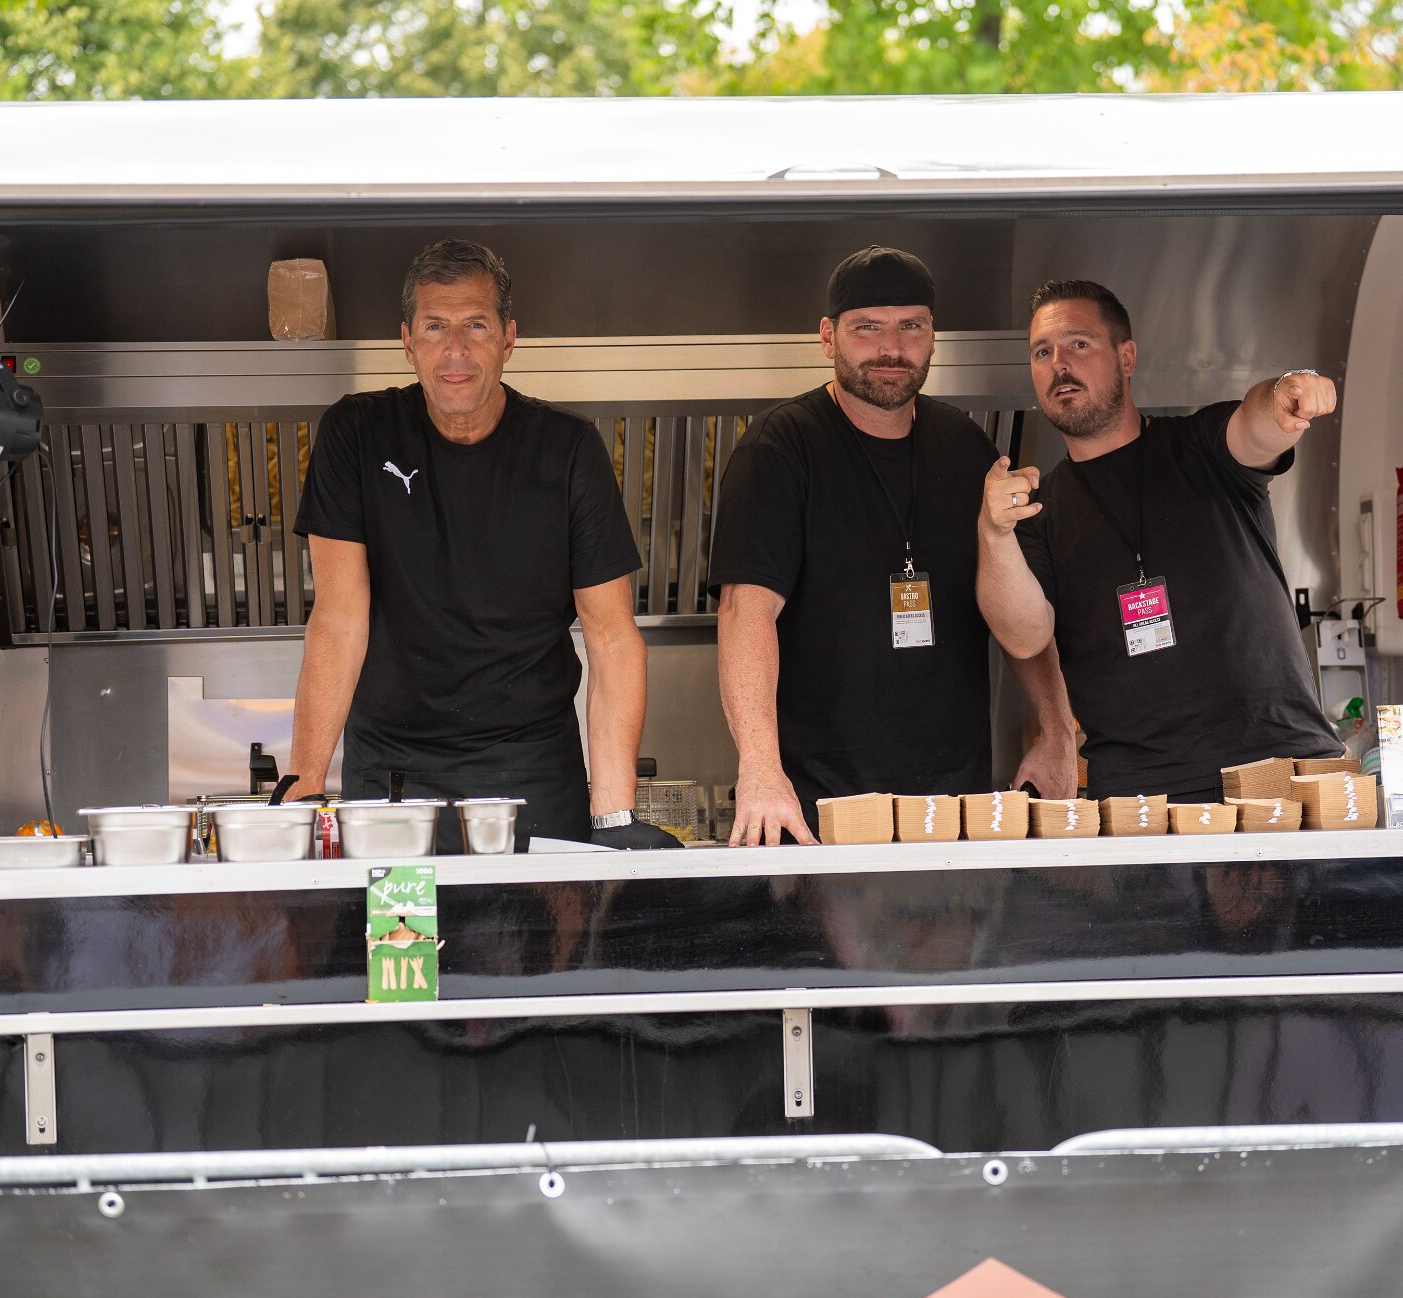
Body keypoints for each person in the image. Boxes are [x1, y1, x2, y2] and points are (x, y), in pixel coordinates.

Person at [287, 239, 677, 851]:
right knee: (401, 920)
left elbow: (611, 636)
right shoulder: (357, 434)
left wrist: (613, 817)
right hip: (391, 775)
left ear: (508, 338)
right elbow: (338, 620)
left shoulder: (568, 450)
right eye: (434, 326)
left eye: (475, 324)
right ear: (407, 341)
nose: (455, 349)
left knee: (536, 920)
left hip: (533, 774)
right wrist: (304, 782)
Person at [710, 245, 1077, 845]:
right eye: (867, 328)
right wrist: (760, 768)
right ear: (827, 337)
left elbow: (1018, 605)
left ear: (933, 338)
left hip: (956, 811)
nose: (891, 347)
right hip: (819, 812)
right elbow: (745, 613)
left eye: (911, 326)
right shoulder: (779, 450)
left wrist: (1057, 730)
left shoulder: (966, 447)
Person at [975, 278, 1343, 802]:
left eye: (1079, 343)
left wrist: (1284, 393)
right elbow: (1024, 636)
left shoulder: (1200, 445)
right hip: (1142, 799)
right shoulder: (1040, 511)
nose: (1060, 364)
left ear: (1126, 357)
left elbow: (1256, 424)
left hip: (1282, 769)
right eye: (1042, 352)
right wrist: (994, 532)